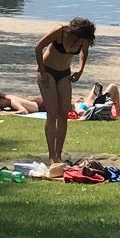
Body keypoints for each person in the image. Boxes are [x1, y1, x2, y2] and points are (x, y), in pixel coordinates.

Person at [35, 17, 97, 165]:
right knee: (52, 113)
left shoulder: (84, 38)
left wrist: (80, 70)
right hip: (47, 71)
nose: (81, 41)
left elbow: (84, 52)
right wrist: (42, 71)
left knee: (63, 114)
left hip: (64, 73)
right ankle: (51, 156)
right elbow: (38, 47)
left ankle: (58, 154)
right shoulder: (61, 31)